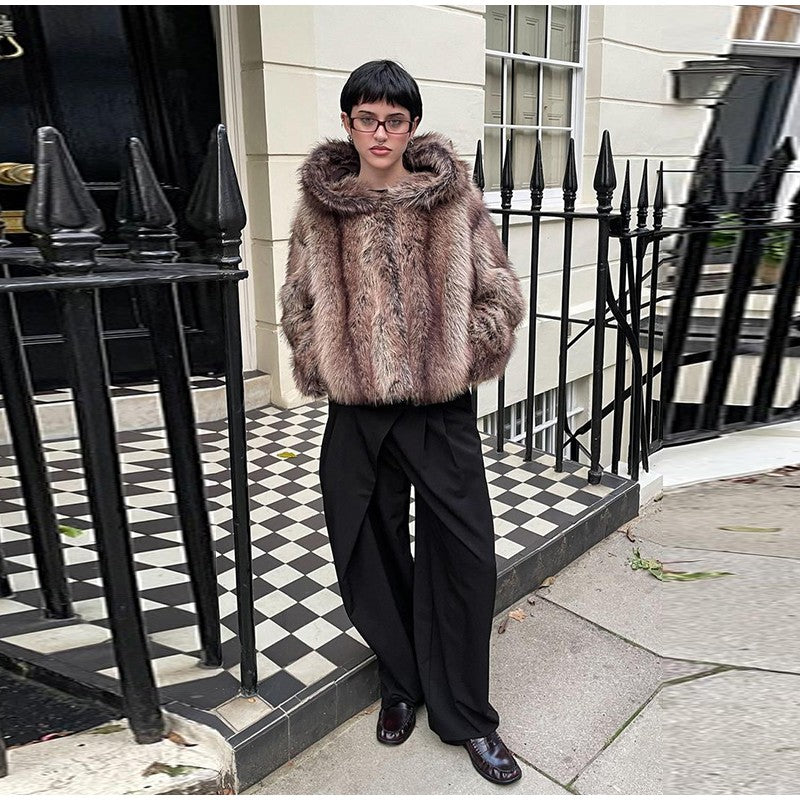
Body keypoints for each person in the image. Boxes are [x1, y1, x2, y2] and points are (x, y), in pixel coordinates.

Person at [279, 59, 526, 785]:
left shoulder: (453, 201)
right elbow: (297, 303)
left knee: (464, 555)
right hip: (356, 413)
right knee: (365, 543)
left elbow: (500, 295)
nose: (380, 133)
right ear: (348, 122)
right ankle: (401, 682)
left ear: (412, 126)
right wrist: (325, 362)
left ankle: (466, 714)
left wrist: (457, 356)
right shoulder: (320, 209)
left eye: (394, 120)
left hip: (438, 411)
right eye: (367, 118)